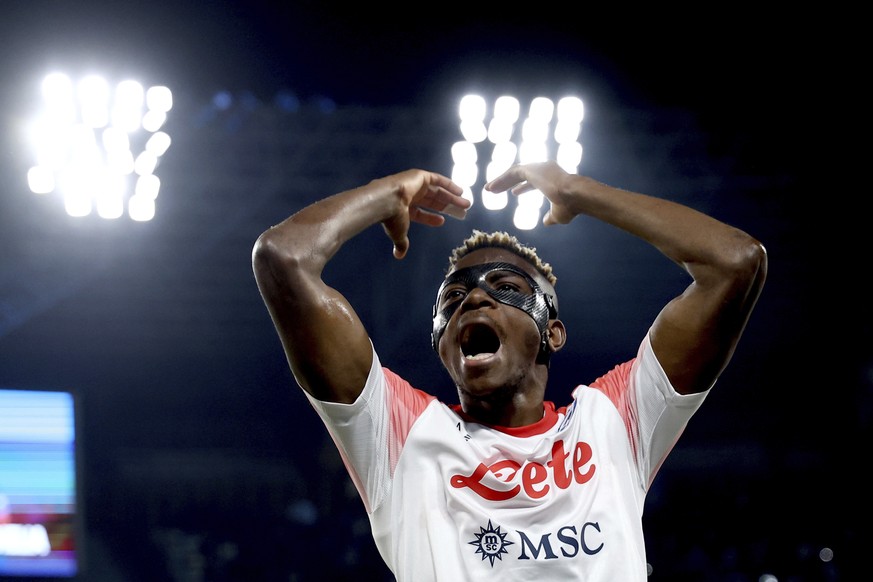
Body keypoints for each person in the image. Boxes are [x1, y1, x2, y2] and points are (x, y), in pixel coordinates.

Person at [251, 161, 767, 581]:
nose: (473, 297)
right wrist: (385, 192)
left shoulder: (612, 422)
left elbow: (735, 263)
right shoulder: (402, 435)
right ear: (442, 345)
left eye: (508, 287)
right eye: (452, 299)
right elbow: (283, 258)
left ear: (552, 332)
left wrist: (579, 191)